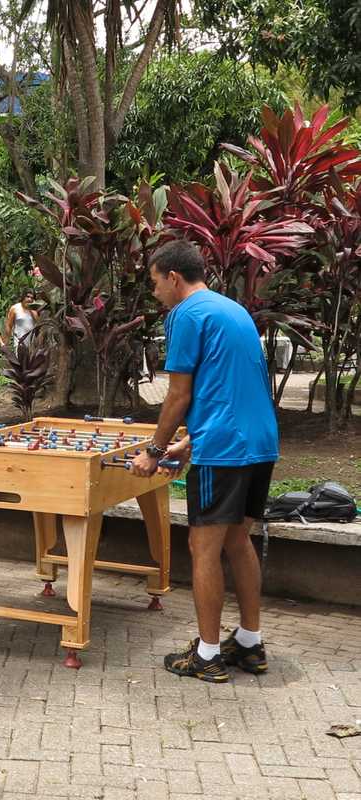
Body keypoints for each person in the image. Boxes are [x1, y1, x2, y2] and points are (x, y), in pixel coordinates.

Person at [131, 240, 278, 683]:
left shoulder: (185, 315)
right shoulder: (233, 310)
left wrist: (154, 451)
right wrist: (190, 444)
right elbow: (234, 387)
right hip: (260, 442)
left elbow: (179, 394)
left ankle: (207, 655)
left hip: (226, 450)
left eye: (155, 283)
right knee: (238, 541)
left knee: (203, 547)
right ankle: (250, 644)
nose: (155, 292)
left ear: (173, 277)